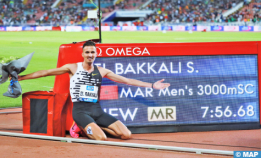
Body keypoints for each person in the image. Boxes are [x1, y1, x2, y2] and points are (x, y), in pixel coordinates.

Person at [17, 41, 170, 141]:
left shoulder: (102, 70)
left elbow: (127, 80)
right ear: (83, 54)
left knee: (126, 135)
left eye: (93, 52)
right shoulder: (73, 68)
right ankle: (81, 124)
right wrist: (21, 78)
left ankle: (85, 128)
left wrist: (151, 85)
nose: (90, 55)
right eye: (87, 52)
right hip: (80, 111)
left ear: (96, 54)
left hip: (97, 111)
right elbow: (45, 72)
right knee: (102, 139)